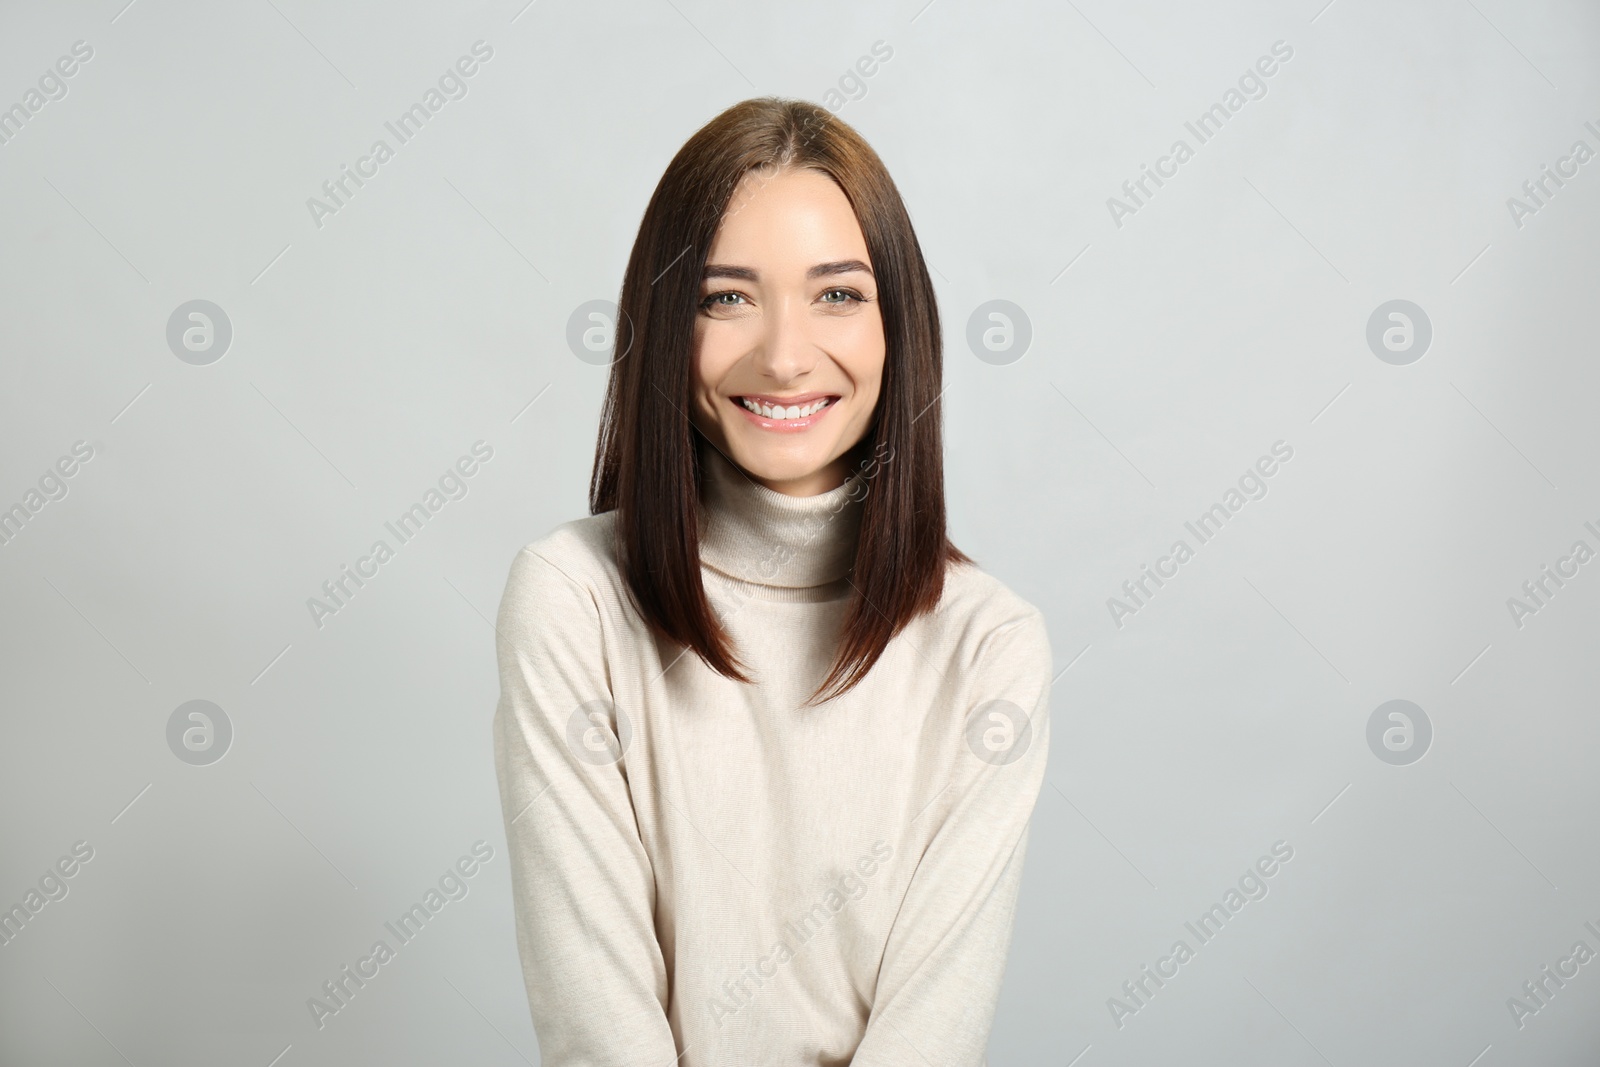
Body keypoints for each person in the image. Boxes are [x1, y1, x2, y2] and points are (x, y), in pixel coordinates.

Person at [492, 95, 1053, 1067]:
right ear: (664, 325)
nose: (786, 356)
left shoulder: (989, 646)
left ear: (898, 326)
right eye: (725, 296)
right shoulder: (570, 599)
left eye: (836, 293)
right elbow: (598, 1027)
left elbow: (932, 1034)